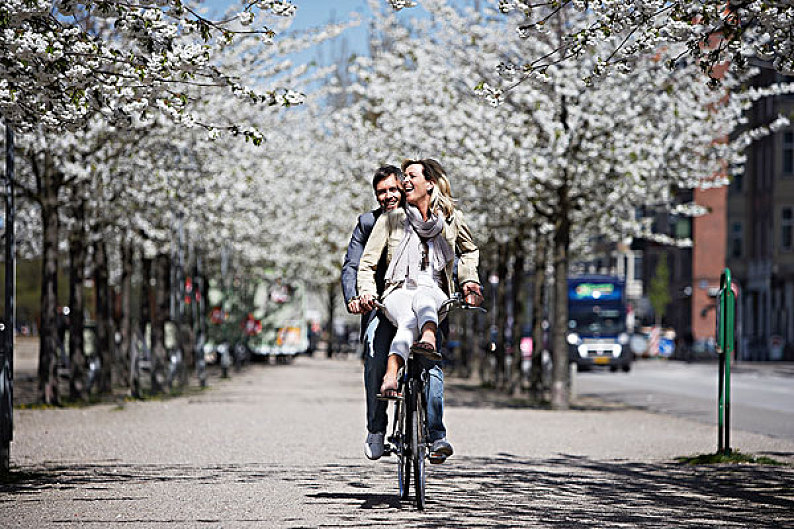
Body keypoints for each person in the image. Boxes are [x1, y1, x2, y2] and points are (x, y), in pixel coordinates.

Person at [357, 158, 483, 463]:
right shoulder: (391, 220)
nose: (404, 182)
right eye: (404, 177)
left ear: (431, 183)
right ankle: (377, 427)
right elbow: (366, 263)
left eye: (411, 176)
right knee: (375, 352)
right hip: (396, 295)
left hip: (434, 294)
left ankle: (436, 436)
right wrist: (366, 294)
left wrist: (469, 283)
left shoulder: (452, 220)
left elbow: (469, 251)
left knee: (431, 364)